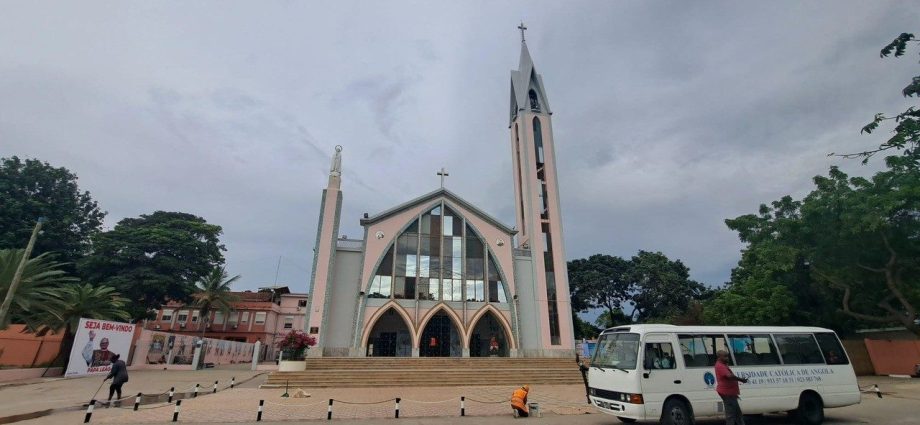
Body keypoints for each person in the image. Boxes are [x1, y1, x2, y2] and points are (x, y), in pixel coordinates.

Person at [715, 350, 748, 425]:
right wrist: (741, 379)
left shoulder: (723, 364)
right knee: (731, 414)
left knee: (737, 413)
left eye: (727, 356)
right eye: (725, 356)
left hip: (730, 393)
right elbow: (729, 376)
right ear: (719, 357)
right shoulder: (720, 366)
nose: (727, 358)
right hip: (727, 393)